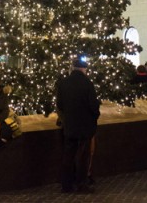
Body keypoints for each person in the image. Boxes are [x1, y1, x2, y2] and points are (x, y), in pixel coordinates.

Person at [55, 58, 100, 193]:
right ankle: (81, 184)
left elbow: (60, 105)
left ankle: (66, 185)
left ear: (72, 68)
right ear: (83, 69)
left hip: (69, 125)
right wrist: (95, 116)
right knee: (83, 156)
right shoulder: (88, 83)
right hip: (85, 126)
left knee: (68, 155)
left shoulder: (63, 83)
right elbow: (93, 105)